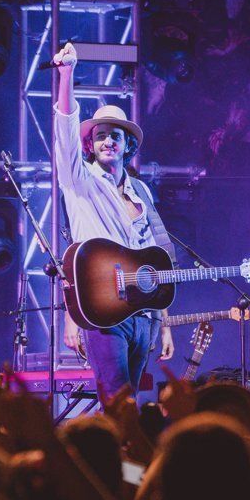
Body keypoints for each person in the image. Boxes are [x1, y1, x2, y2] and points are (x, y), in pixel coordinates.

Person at [53, 42, 175, 395]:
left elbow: (155, 258)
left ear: (127, 145)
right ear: (91, 145)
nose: (108, 141)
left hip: (142, 314)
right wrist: (67, 74)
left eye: (115, 136)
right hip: (104, 313)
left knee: (130, 404)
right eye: (101, 135)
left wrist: (163, 324)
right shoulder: (81, 181)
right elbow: (64, 135)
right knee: (117, 401)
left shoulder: (141, 192)